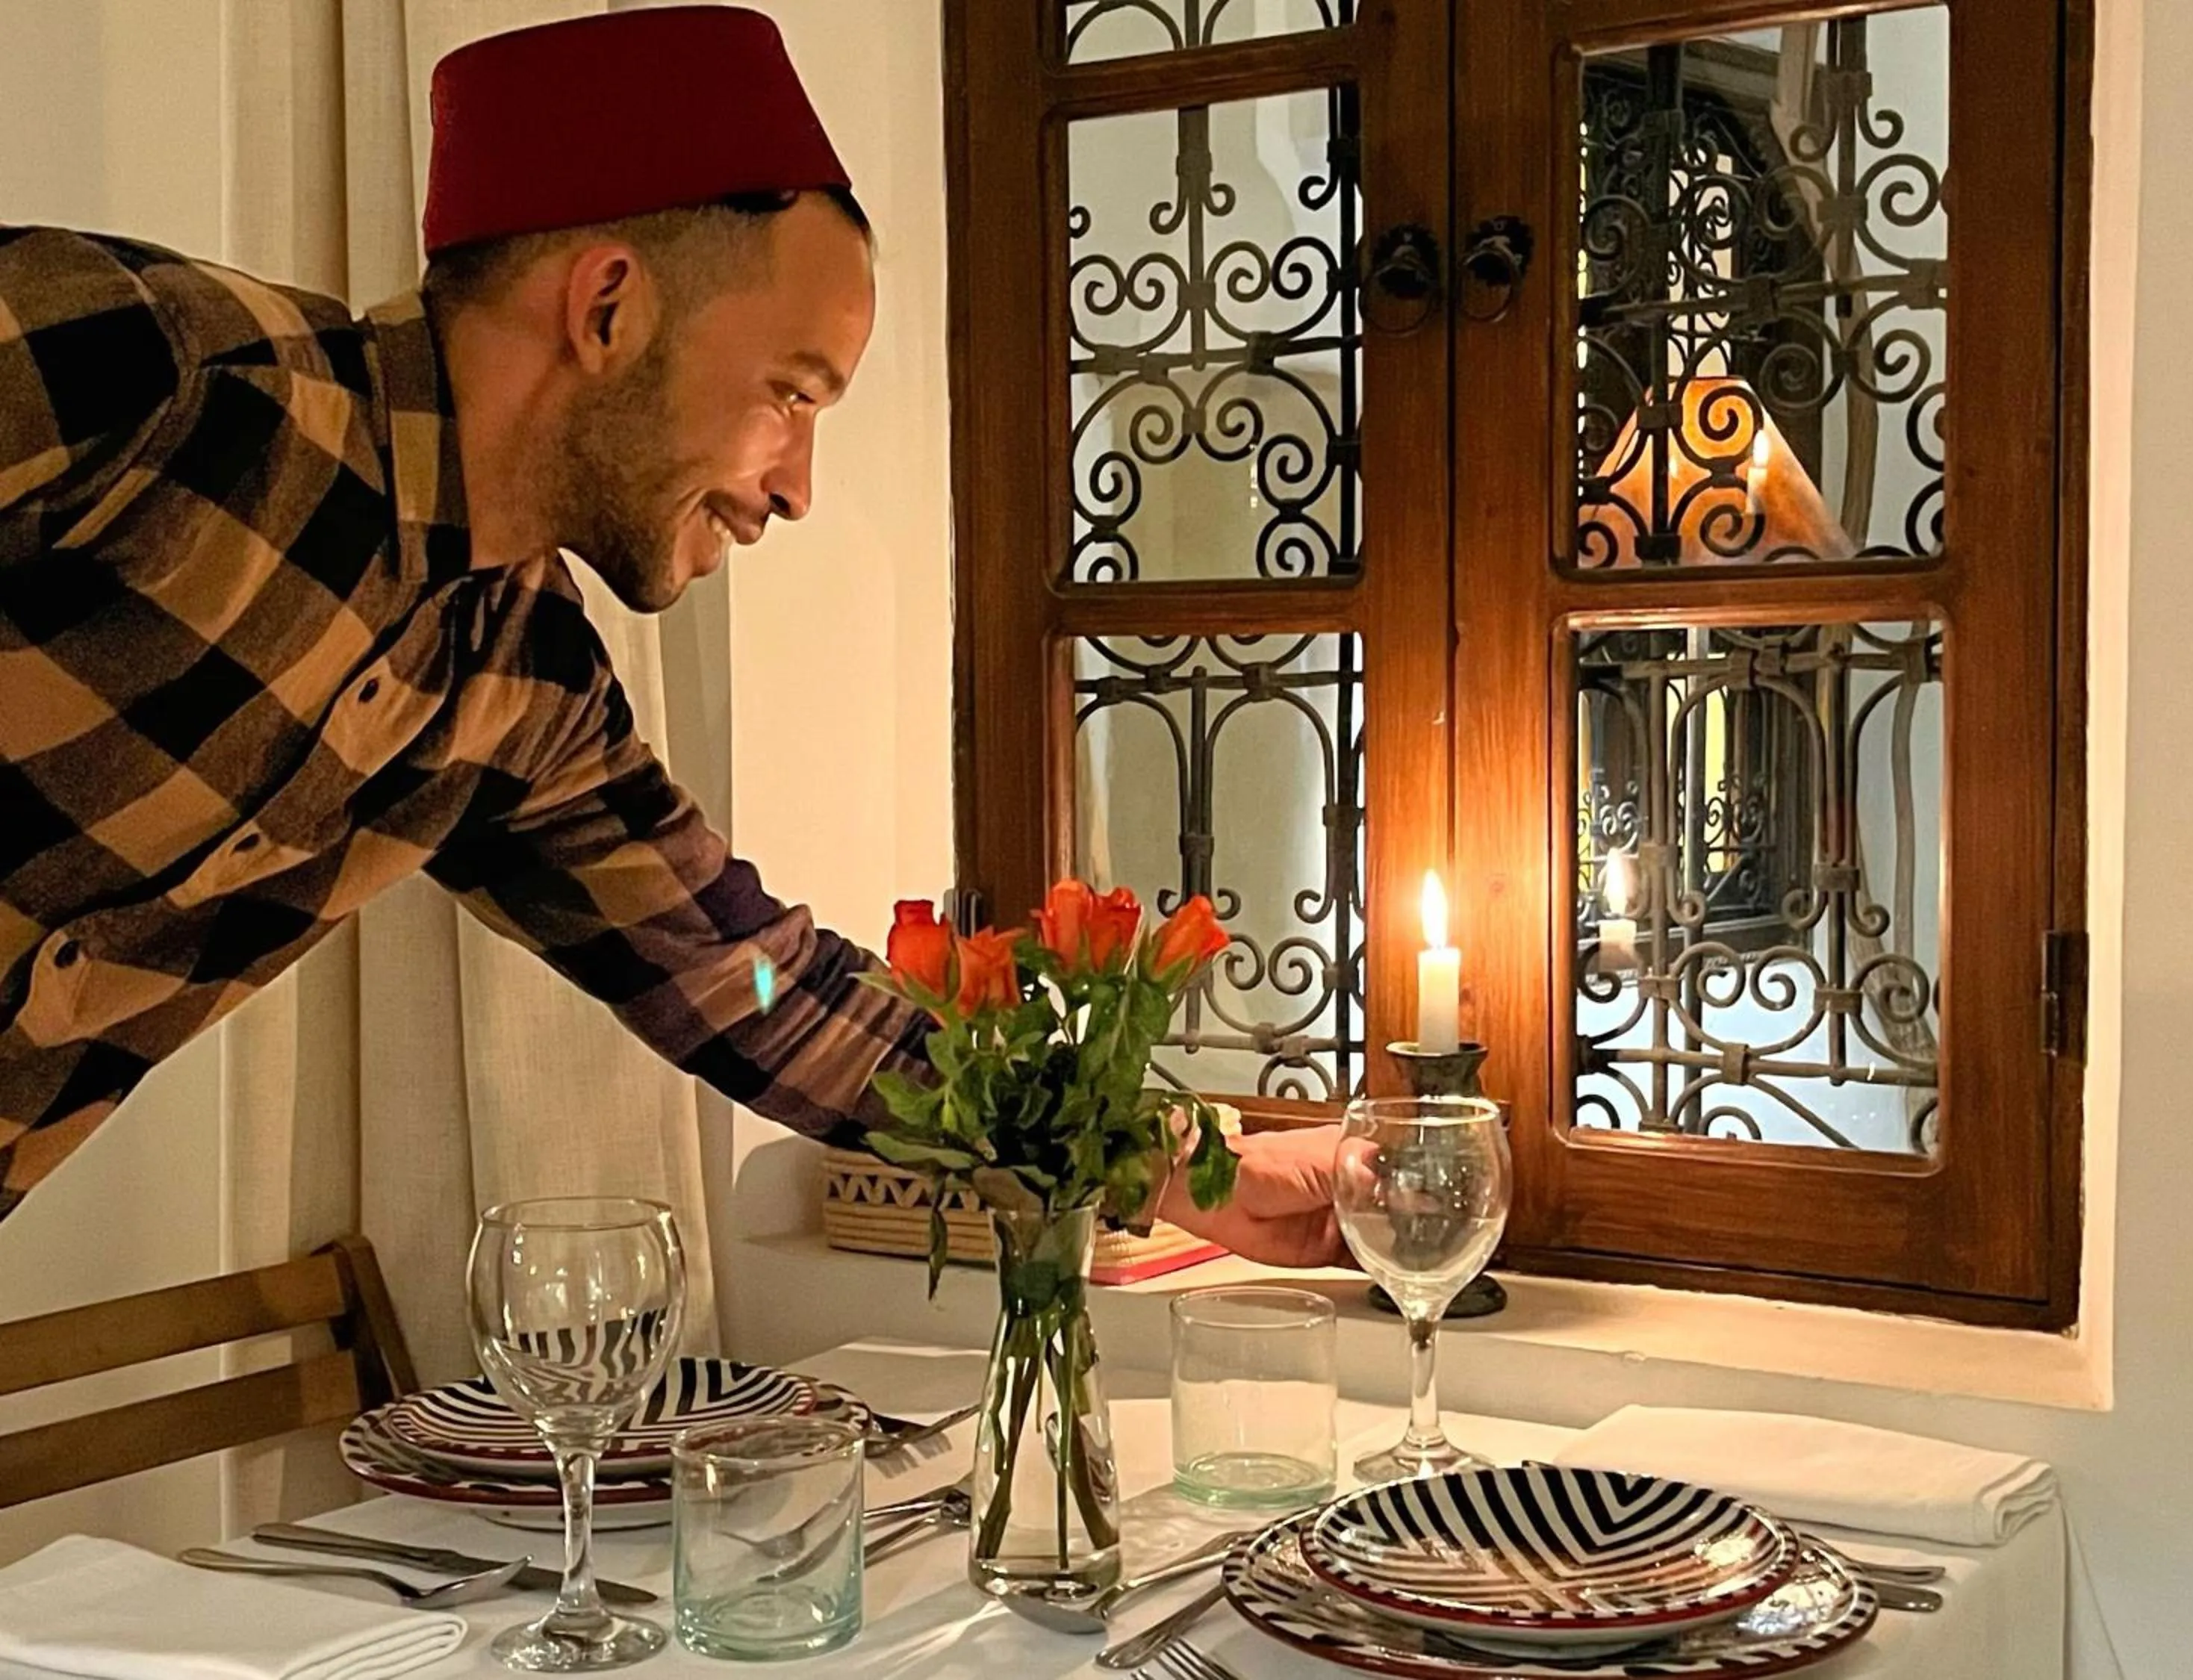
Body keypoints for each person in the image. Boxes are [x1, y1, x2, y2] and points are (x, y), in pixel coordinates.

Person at [0, 6, 1343, 1264]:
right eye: (789, 393)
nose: (797, 486)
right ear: (608, 309)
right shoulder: (153, 368)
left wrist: (1177, 1159)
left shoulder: (522, 689)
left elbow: (765, 990)